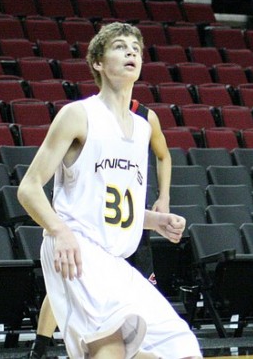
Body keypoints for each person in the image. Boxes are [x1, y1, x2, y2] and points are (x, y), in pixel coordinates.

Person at [17, 22, 201, 359]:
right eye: (120, 46)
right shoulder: (78, 115)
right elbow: (28, 189)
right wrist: (59, 231)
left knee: (181, 348)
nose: (131, 51)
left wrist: (154, 221)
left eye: (136, 47)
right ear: (98, 63)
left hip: (115, 259)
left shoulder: (144, 128)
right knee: (111, 346)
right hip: (77, 250)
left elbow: (110, 206)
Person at [28, 101, 173, 359]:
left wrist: (164, 197)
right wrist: (59, 225)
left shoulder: (145, 119)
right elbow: (43, 181)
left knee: (133, 303)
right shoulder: (86, 116)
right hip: (89, 226)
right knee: (70, 292)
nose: (131, 57)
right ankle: (39, 345)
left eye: (135, 55)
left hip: (127, 219)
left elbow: (163, 155)